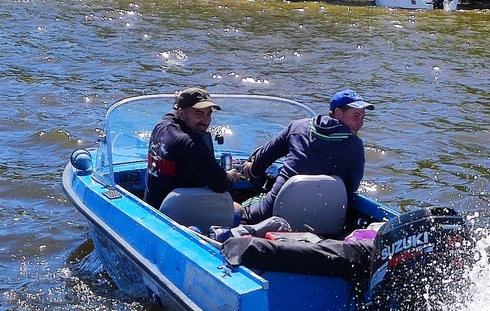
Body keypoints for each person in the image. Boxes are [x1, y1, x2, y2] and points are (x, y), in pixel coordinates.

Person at [238, 89, 372, 226]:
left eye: (362, 117)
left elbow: (263, 157)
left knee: (239, 210)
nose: (360, 123)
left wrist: (252, 170)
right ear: (338, 113)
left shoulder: (298, 128)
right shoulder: (355, 146)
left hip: (273, 215)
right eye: (356, 116)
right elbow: (351, 187)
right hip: (325, 222)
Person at [145, 87, 242, 209]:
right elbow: (221, 184)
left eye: (209, 113)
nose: (206, 121)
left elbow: (173, 112)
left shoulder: (162, 125)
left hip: (152, 210)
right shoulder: (192, 144)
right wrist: (233, 176)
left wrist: (177, 102)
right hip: (181, 217)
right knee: (238, 208)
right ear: (181, 113)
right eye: (199, 113)